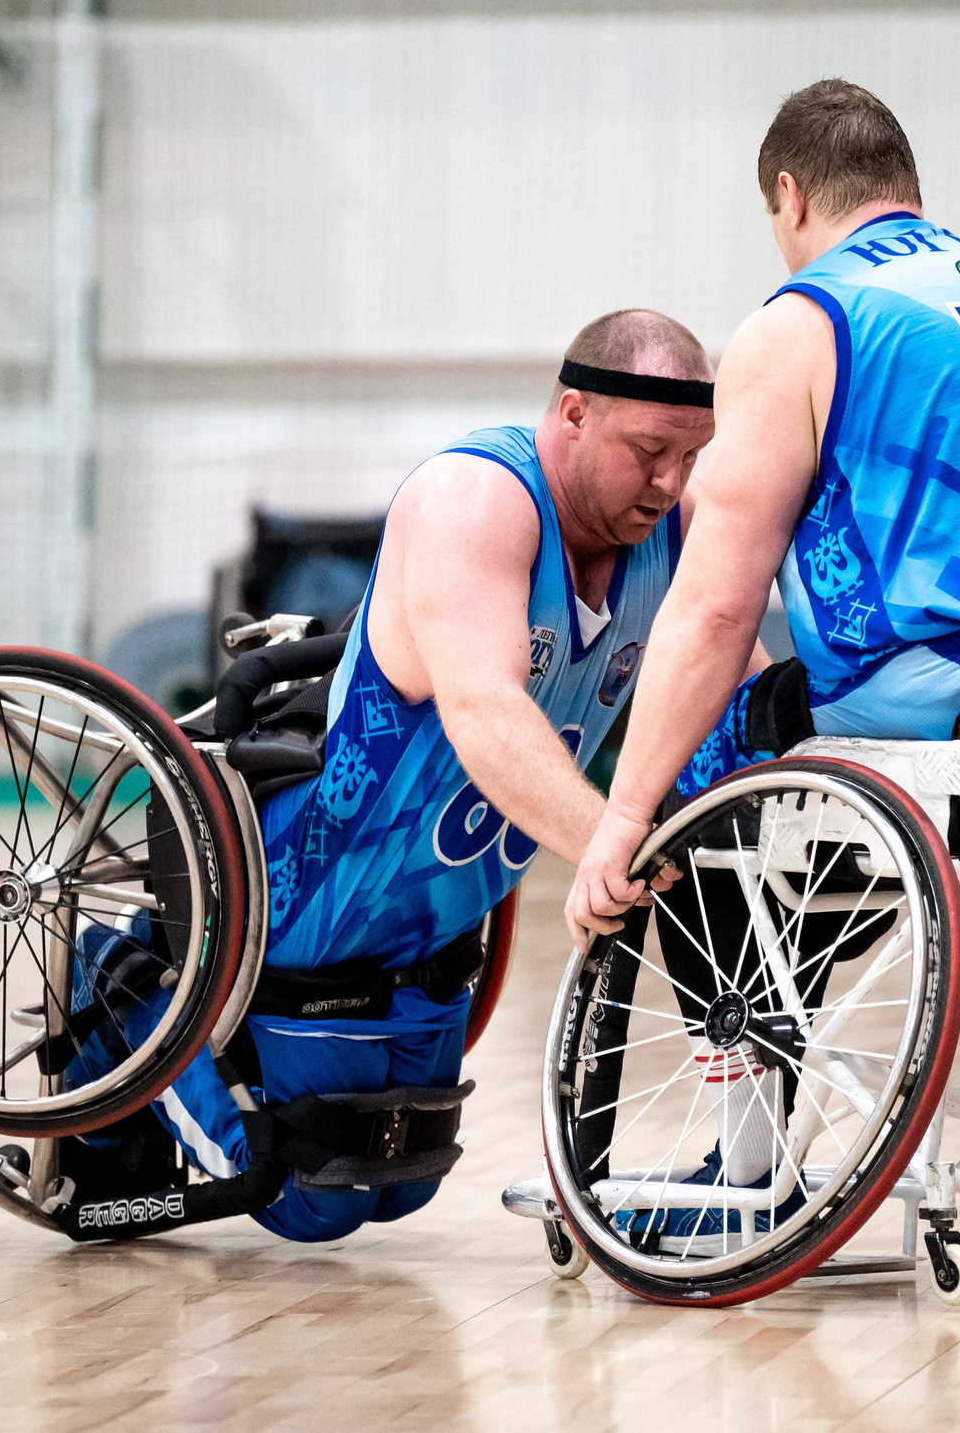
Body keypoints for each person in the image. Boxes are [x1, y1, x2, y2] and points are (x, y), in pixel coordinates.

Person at [561, 83, 960, 1227]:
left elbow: (711, 606)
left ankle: (746, 1145)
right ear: (905, 182)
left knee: (712, 721)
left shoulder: (804, 319)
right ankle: (820, 974)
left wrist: (616, 819)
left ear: (790, 196)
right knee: (784, 698)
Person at [58, 308, 716, 1243]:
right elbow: (484, 710)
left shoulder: (669, 528)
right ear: (572, 413)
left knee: (399, 1188)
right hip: (315, 896)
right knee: (306, 1205)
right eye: (650, 450)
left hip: (436, 929)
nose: (670, 481)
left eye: (691, 457)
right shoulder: (476, 499)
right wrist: (606, 843)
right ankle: (123, 979)